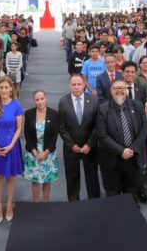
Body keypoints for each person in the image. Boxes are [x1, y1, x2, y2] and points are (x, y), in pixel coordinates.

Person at [96, 78, 147, 204]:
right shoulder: (103, 109)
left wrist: (132, 149)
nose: (119, 91)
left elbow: (145, 127)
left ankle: (130, 209)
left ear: (126, 90)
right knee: (113, 192)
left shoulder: (137, 105)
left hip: (133, 157)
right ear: (111, 91)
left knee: (132, 190)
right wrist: (121, 151)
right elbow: (102, 135)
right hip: (112, 160)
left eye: (122, 88)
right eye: (116, 88)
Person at [0, 76, 24, 223]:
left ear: (11, 89)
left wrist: (11, 145)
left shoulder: (16, 105)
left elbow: (18, 129)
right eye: (1, 88)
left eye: (6, 87)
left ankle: (9, 206)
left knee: (10, 177)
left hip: (11, 147)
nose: (4, 90)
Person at [57, 74, 101, 202]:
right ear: (69, 86)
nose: (76, 87)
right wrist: (72, 145)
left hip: (90, 147)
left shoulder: (94, 100)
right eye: (73, 84)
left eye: (79, 84)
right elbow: (61, 127)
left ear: (84, 86)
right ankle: (73, 203)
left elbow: (98, 126)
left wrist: (90, 144)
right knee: (72, 177)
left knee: (92, 176)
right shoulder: (63, 101)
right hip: (71, 148)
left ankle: (94, 201)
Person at [23, 90, 60, 202]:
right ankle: (36, 205)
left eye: (42, 99)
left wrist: (45, 152)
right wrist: (35, 152)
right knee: (35, 181)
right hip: (33, 153)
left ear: (46, 98)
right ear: (34, 101)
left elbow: (54, 136)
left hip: (48, 154)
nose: (40, 102)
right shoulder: (28, 114)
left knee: (46, 180)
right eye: (37, 99)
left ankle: (45, 205)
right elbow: (27, 134)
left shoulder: (54, 114)